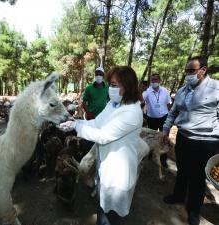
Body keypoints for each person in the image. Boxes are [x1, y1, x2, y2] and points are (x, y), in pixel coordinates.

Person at [60, 66, 149, 225]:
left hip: (118, 173)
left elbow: (103, 135)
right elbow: (97, 122)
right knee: (102, 209)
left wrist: (76, 128)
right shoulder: (114, 104)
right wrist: (77, 122)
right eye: (111, 84)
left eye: (114, 85)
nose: (110, 88)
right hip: (105, 167)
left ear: (127, 87)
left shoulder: (132, 112)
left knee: (110, 217)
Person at [160, 56, 219, 225]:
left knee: (198, 176)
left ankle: (194, 209)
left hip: (205, 141)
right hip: (184, 137)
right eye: (186, 71)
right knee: (182, 169)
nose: (188, 74)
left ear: (203, 70)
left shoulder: (216, 88)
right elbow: (173, 113)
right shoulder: (182, 90)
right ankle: (178, 195)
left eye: (191, 71)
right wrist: (165, 129)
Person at [142, 73, 172, 168]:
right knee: (151, 137)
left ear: (159, 81)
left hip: (164, 117)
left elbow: (168, 104)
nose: (154, 82)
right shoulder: (147, 92)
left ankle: (163, 160)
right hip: (151, 119)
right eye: (152, 80)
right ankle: (150, 156)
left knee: (164, 138)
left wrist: (169, 116)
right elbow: (139, 101)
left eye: (155, 80)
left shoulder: (165, 91)